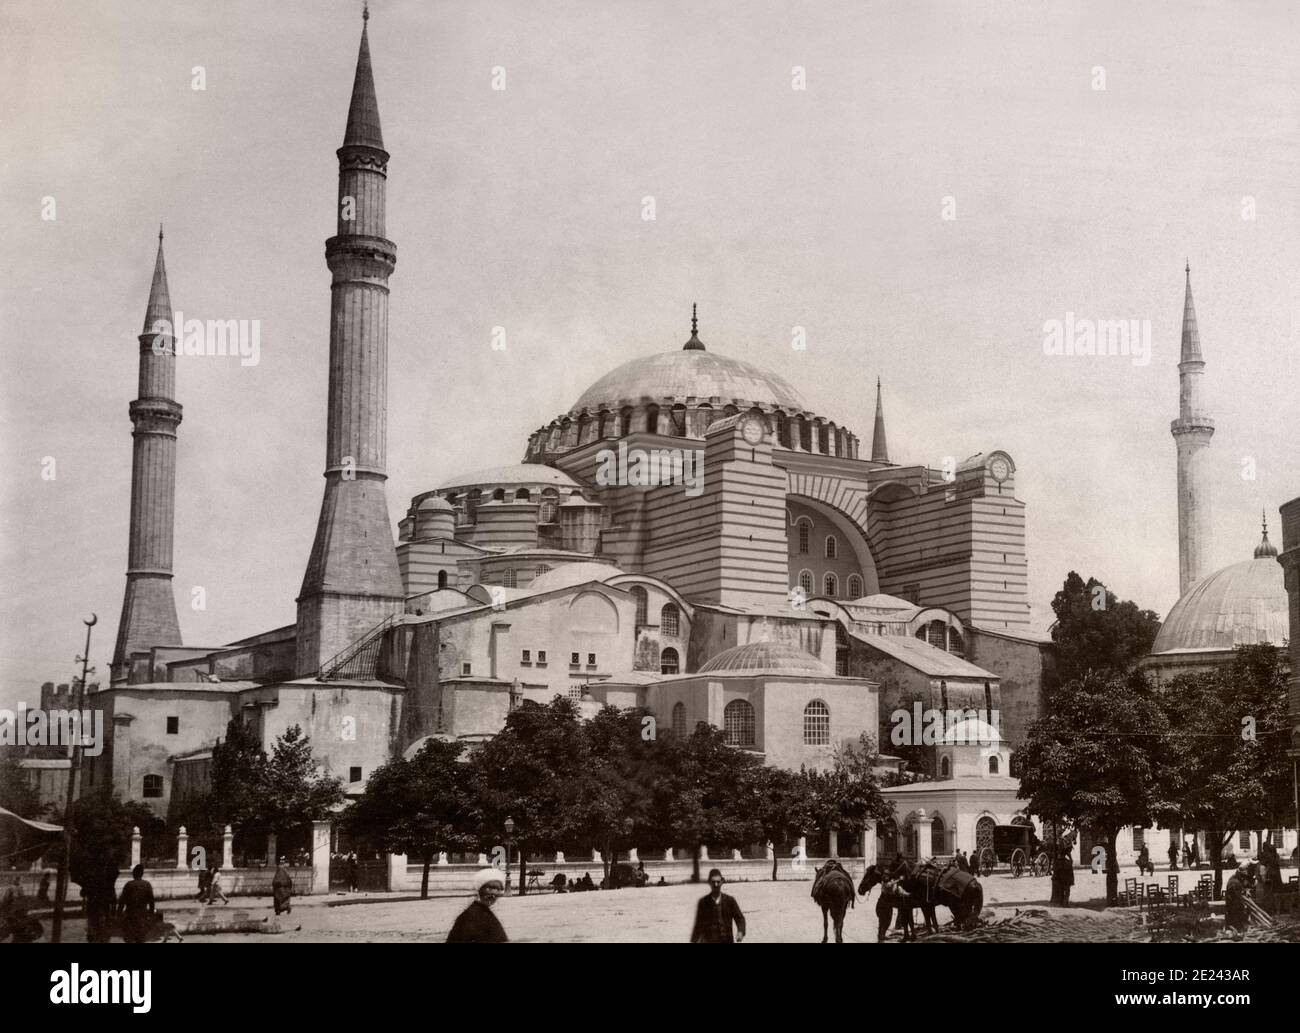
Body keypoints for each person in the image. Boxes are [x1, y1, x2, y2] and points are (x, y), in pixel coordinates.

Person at [446, 869, 508, 942]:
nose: (493, 893)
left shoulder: (484, 912)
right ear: (480, 889)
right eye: (490, 888)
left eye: (498, 889)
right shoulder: (471, 915)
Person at [690, 868, 745, 943]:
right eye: (713, 882)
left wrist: (740, 931)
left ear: (722, 882)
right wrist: (694, 941)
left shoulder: (730, 900)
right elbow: (698, 925)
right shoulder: (703, 902)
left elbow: (740, 918)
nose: (716, 885)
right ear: (709, 882)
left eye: (718, 882)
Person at [117, 865, 156, 943]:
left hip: (130, 915)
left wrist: (119, 914)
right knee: (141, 938)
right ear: (142, 874)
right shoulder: (147, 885)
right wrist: (151, 914)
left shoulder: (129, 885)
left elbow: (122, 901)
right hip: (142, 916)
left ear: (134, 873)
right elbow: (152, 901)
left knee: (129, 938)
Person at [1223, 863, 1249, 939]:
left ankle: (1235, 930)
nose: (1244, 878)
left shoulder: (1234, 879)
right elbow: (1237, 897)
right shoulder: (1235, 882)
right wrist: (1243, 904)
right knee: (1236, 919)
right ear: (1240, 874)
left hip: (1231, 905)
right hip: (1233, 906)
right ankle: (1236, 931)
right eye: (1243, 876)